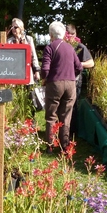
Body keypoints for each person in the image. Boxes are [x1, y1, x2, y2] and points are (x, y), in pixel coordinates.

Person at [41, 21, 83, 153]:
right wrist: (71, 75)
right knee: (66, 115)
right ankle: (65, 145)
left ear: (51, 35)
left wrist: (44, 79)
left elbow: (45, 69)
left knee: (51, 115)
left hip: (54, 84)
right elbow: (79, 67)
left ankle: (50, 145)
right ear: (64, 34)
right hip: (70, 84)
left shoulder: (49, 48)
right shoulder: (70, 48)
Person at [65, 24, 94, 137]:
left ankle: (73, 131)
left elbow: (91, 63)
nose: (71, 37)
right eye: (69, 35)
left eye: (73, 34)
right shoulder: (61, 46)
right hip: (62, 79)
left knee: (73, 105)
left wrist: (79, 64)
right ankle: (61, 130)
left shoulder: (80, 47)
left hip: (75, 80)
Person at [7, 18, 40, 84]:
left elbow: (34, 56)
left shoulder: (28, 39)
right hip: (13, 72)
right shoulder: (9, 41)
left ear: (21, 28)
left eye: (15, 27)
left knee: (27, 92)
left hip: (27, 70)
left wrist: (36, 71)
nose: (13, 29)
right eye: (12, 27)